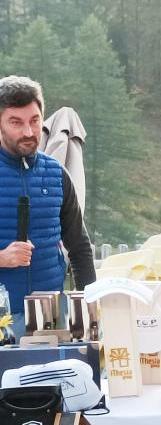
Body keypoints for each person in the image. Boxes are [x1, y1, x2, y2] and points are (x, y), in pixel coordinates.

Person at [0, 76, 95, 338]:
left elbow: (79, 248)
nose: (28, 132)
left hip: (51, 318)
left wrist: (90, 312)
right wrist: (2, 258)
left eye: (34, 120)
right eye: (16, 122)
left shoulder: (56, 173)